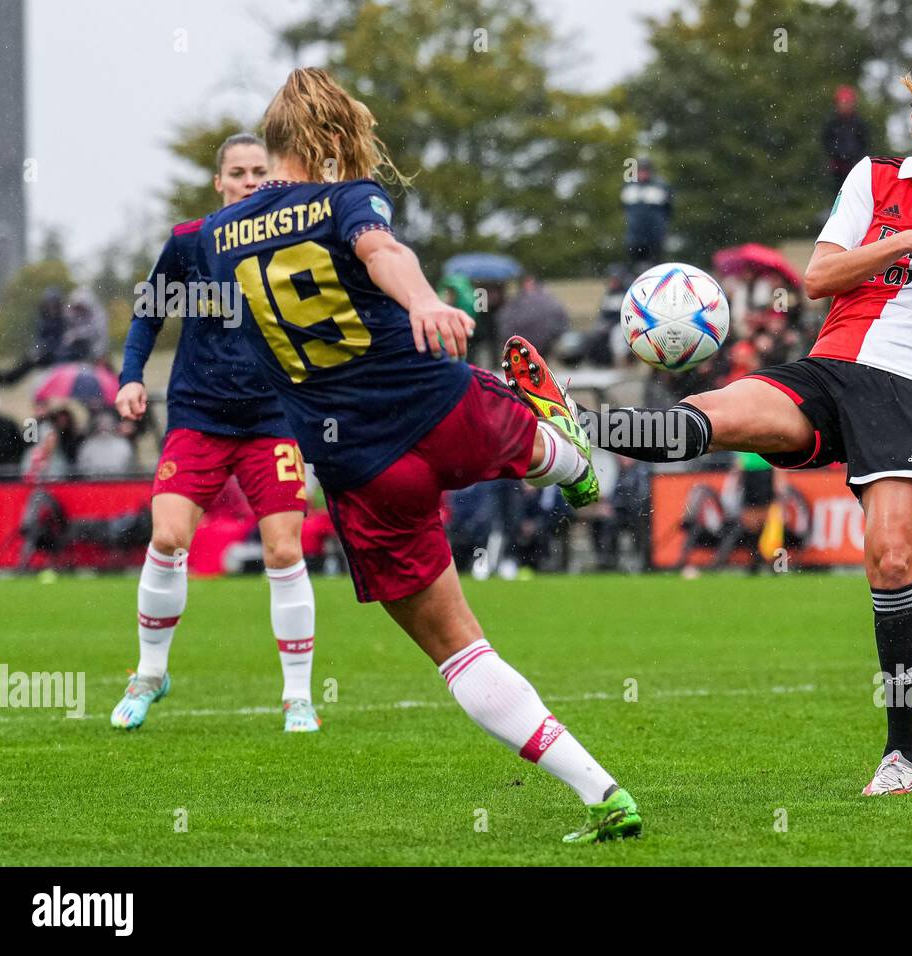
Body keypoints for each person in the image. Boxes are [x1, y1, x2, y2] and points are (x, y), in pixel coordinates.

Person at [510, 52, 912, 796]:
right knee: (714, 416)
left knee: (892, 563)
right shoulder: (871, 180)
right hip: (831, 369)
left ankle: (902, 758)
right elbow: (818, 278)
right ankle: (574, 432)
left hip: (911, 392)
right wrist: (902, 240)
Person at [199, 68, 639, 843]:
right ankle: (570, 461)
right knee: (526, 435)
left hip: (359, 468)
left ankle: (601, 791)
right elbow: (381, 250)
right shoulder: (347, 197)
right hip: (433, 405)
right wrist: (426, 300)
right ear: (334, 140)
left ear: (267, 150)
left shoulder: (214, 235)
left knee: (458, 650)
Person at [110, 133, 324, 734]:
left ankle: (298, 698)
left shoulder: (297, 241)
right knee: (169, 537)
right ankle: (150, 675)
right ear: (219, 182)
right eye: (238, 172)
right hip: (199, 417)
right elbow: (149, 313)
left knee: (284, 548)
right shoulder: (188, 242)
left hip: (272, 420)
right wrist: (130, 378)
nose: (250, 180)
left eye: (261, 171)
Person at [620, 157, 672, 267]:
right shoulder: (629, 186)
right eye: (641, 170)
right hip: (634, 235)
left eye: (645, 170)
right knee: (634, 265)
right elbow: (624, 207)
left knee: (654, 264)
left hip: (655, 234)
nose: (643, 173)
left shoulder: (661, 185)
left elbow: (669, 209)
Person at [822, 85, 872, 196]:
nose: (846, 106)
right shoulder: (832, 123)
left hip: (854, 166)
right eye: (843, 103)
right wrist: (838, 155)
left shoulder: (859, 124)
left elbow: (864, 144)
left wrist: (854, 157)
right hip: (837, 169)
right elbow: (827, 143)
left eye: (848, 103)